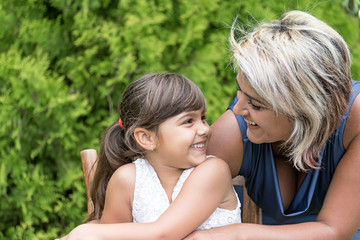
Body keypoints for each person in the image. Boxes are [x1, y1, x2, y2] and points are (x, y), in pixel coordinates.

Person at [184, 10, 360, 240]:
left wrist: (236, 235)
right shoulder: (232, 133)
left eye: (255, 104)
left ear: (304, 109)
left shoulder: (355, 121)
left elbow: (335, 230)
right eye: (240, 91)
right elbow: (164, 199)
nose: (237, 109)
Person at [59, 73, 241, 240]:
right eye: (188, 121)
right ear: (146, 138)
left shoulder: (213, 171)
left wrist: (86, 232)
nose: (205, 128)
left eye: (202, 118)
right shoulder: (127, 179)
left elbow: (163, 234)